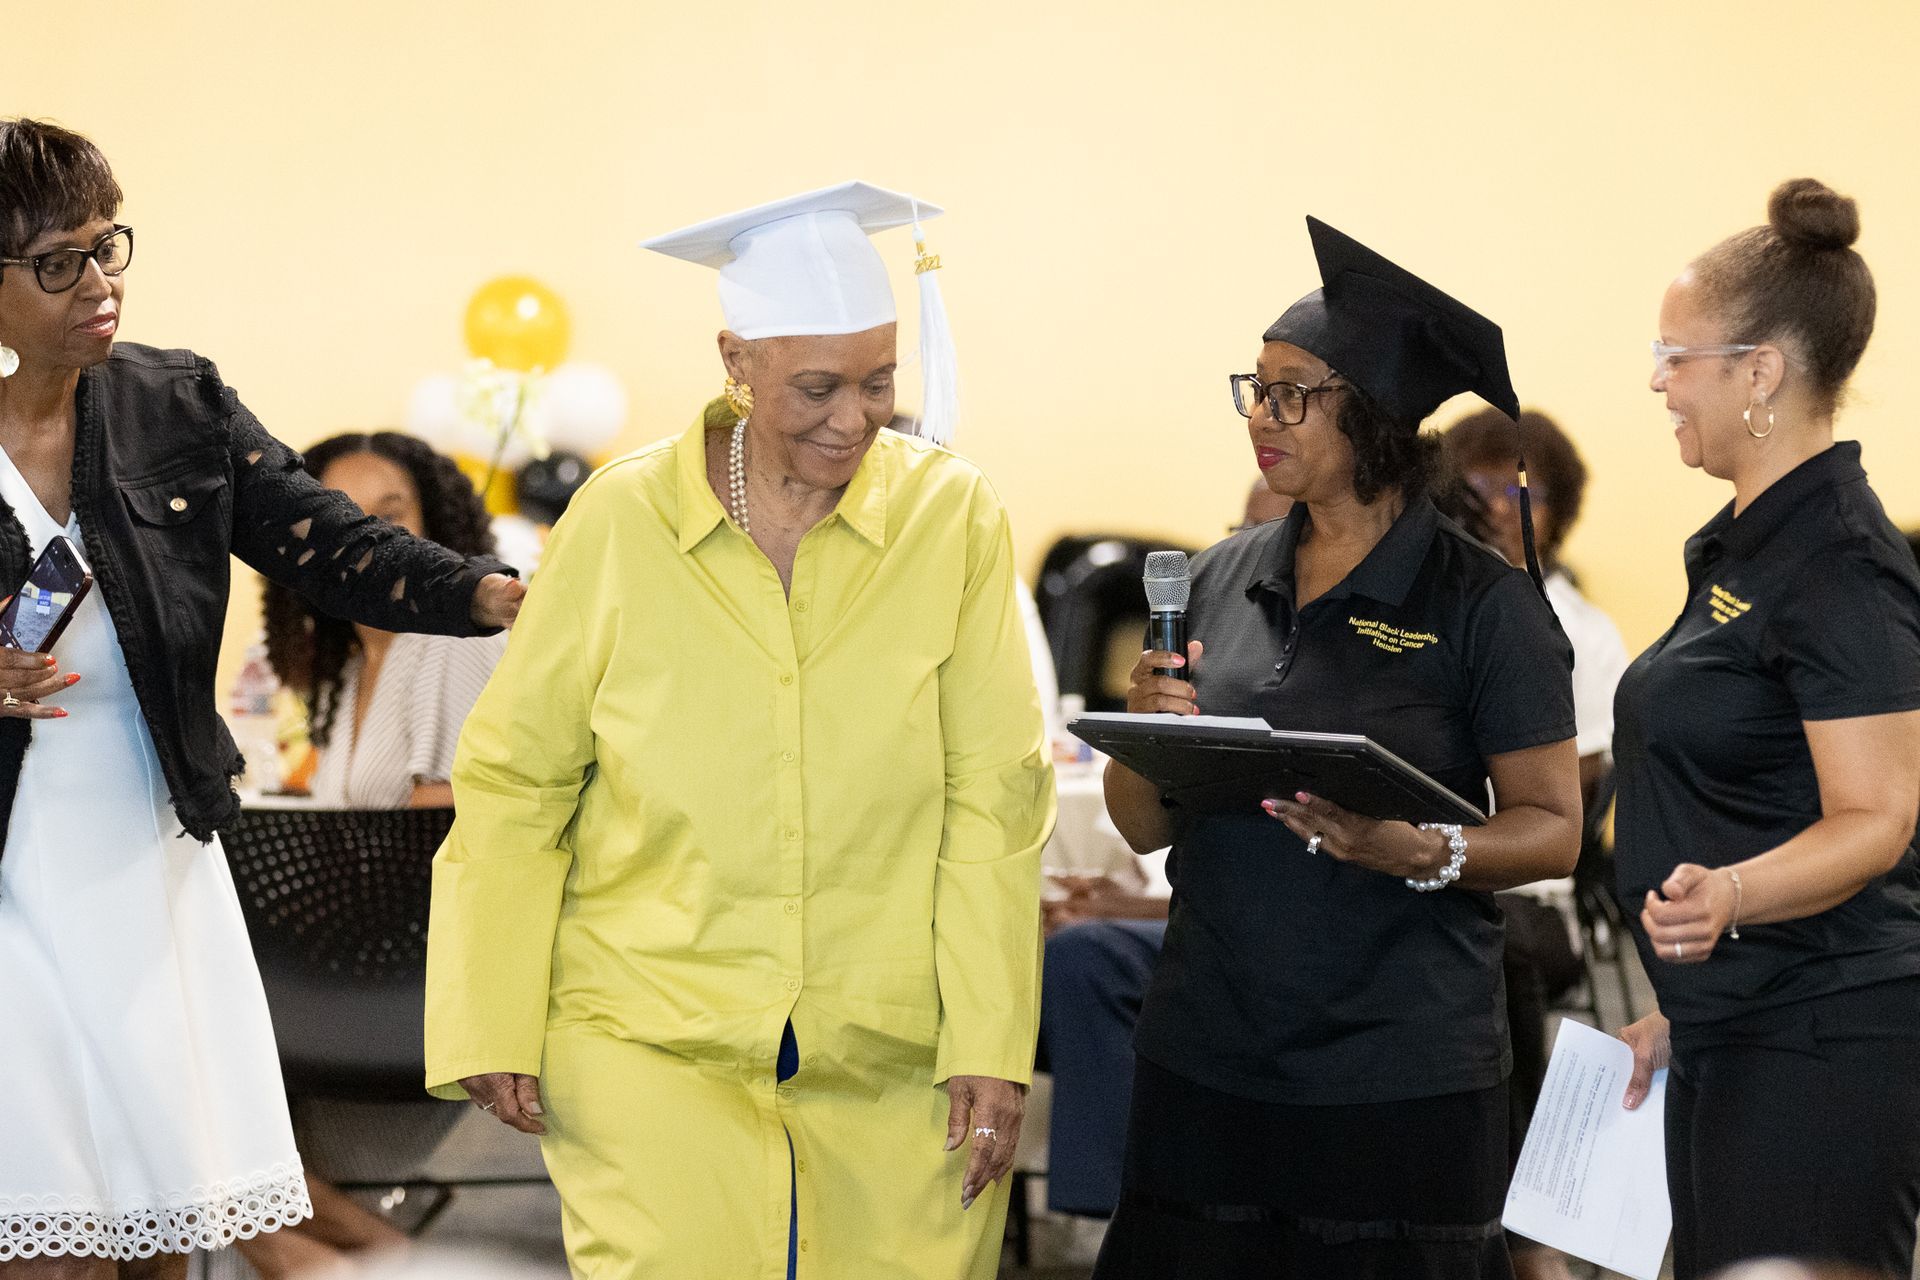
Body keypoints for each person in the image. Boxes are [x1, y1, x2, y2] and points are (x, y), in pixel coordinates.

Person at [424, 182, 1055, 1279]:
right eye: (816, 385)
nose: (851, 417)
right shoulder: (621, 521)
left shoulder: (953, 518)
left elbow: (994, 795)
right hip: (647, 1020)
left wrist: (991, 1042)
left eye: (876, 381)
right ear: (737, 359)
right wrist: (488, 1012)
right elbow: (517, 779)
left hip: (895, 1036)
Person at [0, 119, 523, 1279]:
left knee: (162, 1211)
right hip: (10, 867)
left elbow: (321, 537)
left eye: (108, 243)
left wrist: (484, 592)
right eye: (58, 263)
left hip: (143, 848)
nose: (102, 283)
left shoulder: (170, 403)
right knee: (41, 1214)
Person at [1094, 217, 1582, 1279]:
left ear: (1375, 415)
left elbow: (1555, 830)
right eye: (1253, 388)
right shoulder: (1220, 576)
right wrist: (1143, 729)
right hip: (1207, 1053)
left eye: (1292, 392)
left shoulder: (1482, 604)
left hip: (1393, 1071)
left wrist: (1423, 850)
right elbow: (1140, 821)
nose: (1260, 416)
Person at [1614, 179, 1920, 1279]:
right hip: (1728, 1025)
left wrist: (1732, 895)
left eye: (1675, 353)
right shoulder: (1744, 544)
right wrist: (1675, 1001)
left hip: (1822, 1040)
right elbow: (1740, 790)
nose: (1657, 379)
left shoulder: (1840, 563)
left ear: (1761, 371)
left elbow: (1877, 817)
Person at [1037, 475, 1286, 1240]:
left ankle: (1116, 1216)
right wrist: (1149, 727)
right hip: (1181, 904)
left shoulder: (1308, 670)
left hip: (1276, 930)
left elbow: (1267, 870)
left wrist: (1113, 909)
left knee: (1085, 958)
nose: (1243, 553)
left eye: (1265, 536)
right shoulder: (1202, 635)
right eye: (1236, 530)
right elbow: (1146, 831)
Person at [1439, 408, 1630, 1280]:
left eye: (1523, 490)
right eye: (1473, 486)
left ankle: (1526, 1238)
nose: (1495, 506)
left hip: (1530, 895)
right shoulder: (1422, 607)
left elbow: (1567, 813)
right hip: (1422, 875)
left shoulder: (1582, 634)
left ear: (1561, 510)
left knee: (1491, 953)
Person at [263, 431, 509, 809]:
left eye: (390, 516)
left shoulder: (458, 643)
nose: (366, 542)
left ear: (433, 525)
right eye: (337, 522)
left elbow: (440, 831)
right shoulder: (350, 664)